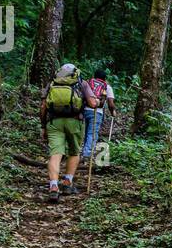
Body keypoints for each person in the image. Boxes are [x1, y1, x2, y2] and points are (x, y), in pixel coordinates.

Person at [39, 64, 93, 203]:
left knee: (55, 154)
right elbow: (93, 103)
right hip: (75, 122)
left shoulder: (52, 83)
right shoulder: (81, 83)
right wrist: (99, 100)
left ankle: (54, 186)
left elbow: (43, 106)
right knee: (74, 152)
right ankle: (68, 182)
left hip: (54, 122)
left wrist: (43, 126)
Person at [81, 68, 116, 163]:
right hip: (97, 111)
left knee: (84, 133)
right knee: (92, 133)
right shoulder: (107, 87)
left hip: (84, 110)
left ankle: (81, 152)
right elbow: (111, 103)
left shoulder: (88, 83)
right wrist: (113, 111)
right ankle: (87, 155)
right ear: (105, 78)